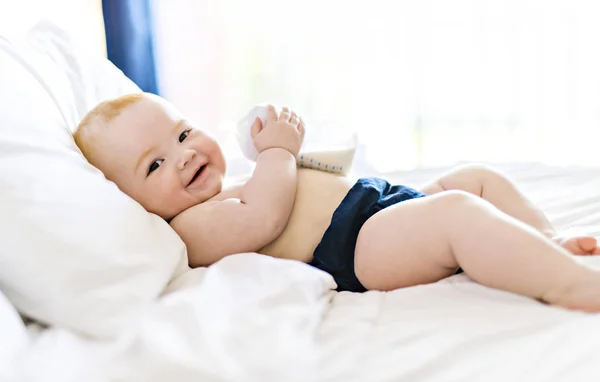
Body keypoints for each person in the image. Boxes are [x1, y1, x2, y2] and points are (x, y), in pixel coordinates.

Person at [74, 92, 600, 312]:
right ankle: (569, 285)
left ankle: (545, 241)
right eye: (155, 165)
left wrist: (296, 157)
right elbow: (264, 217)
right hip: (356, 245)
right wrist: (277, 152)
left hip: (375, 203)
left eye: (183, 135)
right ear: (128, 200)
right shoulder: (189, 229)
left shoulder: (224, 184)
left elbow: (297, 186)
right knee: (457, 216)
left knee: (476, 179)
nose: (183, 156)